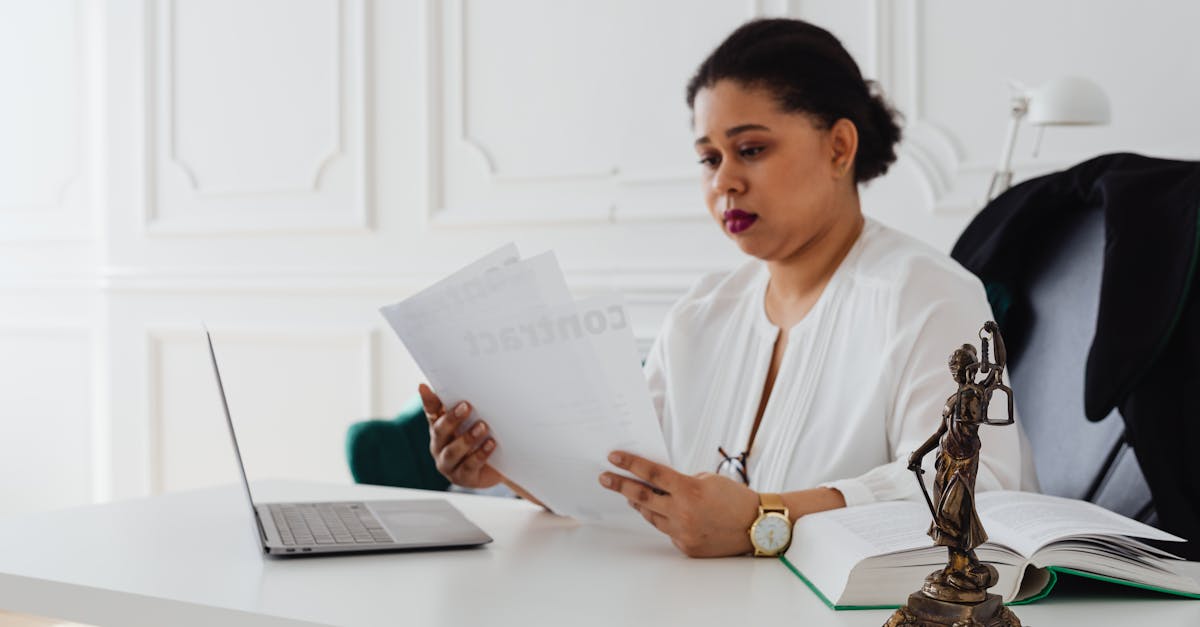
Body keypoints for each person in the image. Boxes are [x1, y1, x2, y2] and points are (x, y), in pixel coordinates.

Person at [417, 18, 1038, 558]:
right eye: (710, 159)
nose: (725, 183)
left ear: (839, 147)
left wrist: (765, 517)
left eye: (751, 149)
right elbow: (627, 483)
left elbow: (978, 491)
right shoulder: (701, 314)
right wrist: (507, 465)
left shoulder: (927, 295)